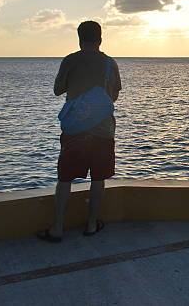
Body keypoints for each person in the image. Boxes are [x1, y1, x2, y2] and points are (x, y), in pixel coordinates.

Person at [37, 21, 121, 243]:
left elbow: (58, 90)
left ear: (79, 39)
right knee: (98, 179)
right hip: (103, 129)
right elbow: (113, 96)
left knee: (64, 179)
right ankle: (92, 225)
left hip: (75, 130)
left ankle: (58, 228)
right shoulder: (110, 64)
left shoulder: (71, 60)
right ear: (100, 39)